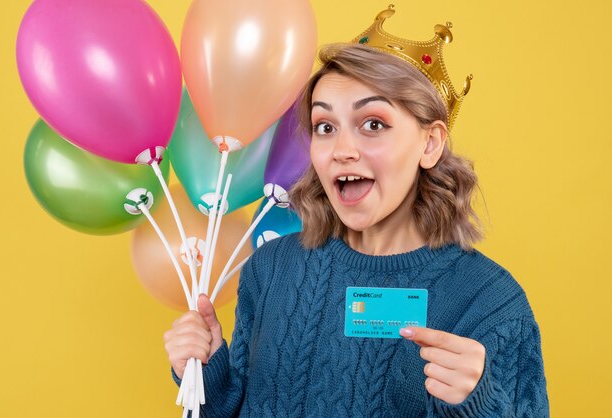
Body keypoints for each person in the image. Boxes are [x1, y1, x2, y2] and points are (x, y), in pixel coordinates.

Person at [163, 11, 549, 417]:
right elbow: (236, 407)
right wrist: (205, 373)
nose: (342, 149)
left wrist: (479, 404)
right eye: (325, 126)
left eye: (373, 123)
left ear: (430, 144)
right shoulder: (271, 269)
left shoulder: (490, 302)